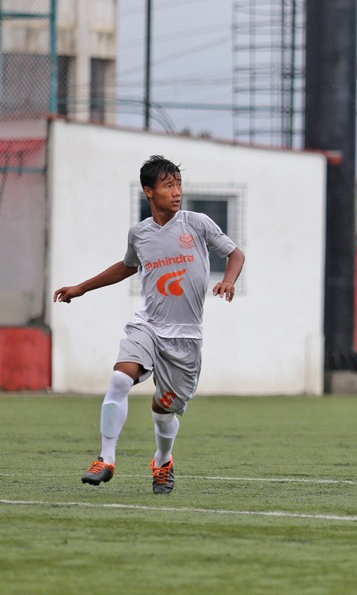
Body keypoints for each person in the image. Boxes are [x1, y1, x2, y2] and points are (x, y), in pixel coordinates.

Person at [54, 155, 245, 494]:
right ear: (149, 192)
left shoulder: (196, 223)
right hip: (149, 327)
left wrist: (229, 280)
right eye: (168, 186)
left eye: (179, 185)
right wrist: (81, 287)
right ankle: (106, 459)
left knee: (163, 410)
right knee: (119, 378)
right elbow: (127, 266)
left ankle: (163, 460)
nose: (176, 192)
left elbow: (235, 254)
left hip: (185, 338)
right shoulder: (139, 234)